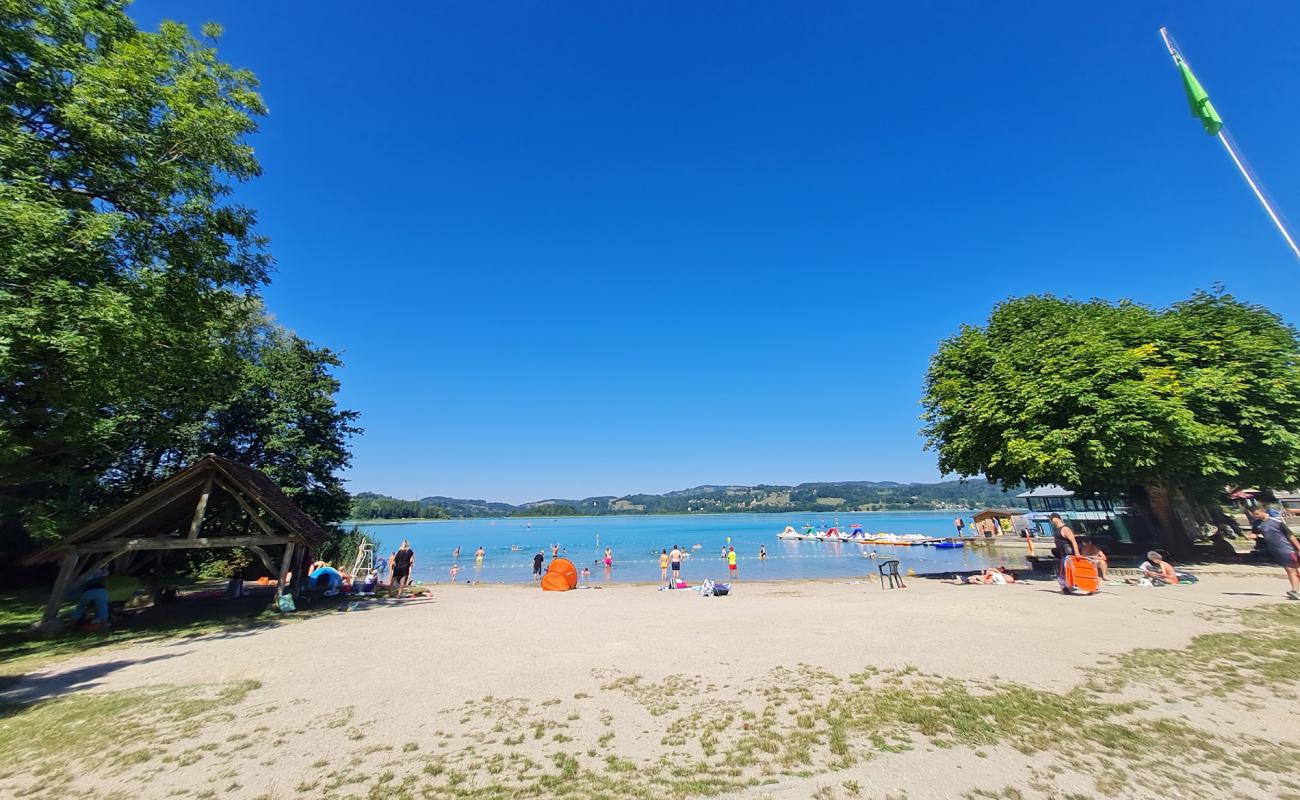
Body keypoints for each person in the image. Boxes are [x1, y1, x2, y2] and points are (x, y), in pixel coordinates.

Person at [1249, 507, 1300, 600]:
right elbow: (1256, 534)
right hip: (1274, 550)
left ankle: (1295, 591)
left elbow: (1290, 536)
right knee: (1294, 570)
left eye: (1257, 514)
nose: (1256, 516)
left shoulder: (1277, 522)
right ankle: (1296, 590)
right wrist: (1253, 536)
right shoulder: (1257, 524)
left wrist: (1299, 547)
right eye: (1254, 515)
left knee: (1291, 569)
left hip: (1287, 548)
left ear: (1263, 511)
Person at [1049, 513, 1080, 591]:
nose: (1051, 521)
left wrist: (1077, 553)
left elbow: (1073, 541)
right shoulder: (1057, 530)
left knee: (1067, 571)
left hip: (1068, 554)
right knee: (1063, 572)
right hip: (1062, 554)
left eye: (1052, 519)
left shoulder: (1065, 529)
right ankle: (1066, 586)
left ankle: (1069, 586)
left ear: (1056, 519)